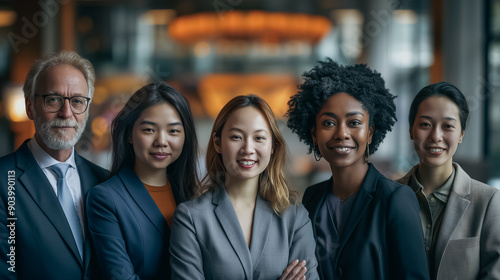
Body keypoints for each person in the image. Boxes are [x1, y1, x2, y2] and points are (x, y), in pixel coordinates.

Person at [286, 59, 429, 280]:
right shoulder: (312, 198)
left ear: (370, 132)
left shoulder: (396, 199)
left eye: (354, 123)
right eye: (328, 123)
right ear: (314, 134)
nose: (341, 133)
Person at [170, 95, 319, 280]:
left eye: (259, 138)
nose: (248, 148)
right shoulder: (191, 218)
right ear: (218, 143)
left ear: (273, 146)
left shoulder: (295, 217)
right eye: (236, 137)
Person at [0, 51, 109, 280]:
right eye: (54, 99)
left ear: (86, 110)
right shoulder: (3, 180)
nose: (66, 113)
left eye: (77, 101)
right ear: (30, 107)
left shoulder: (106, 181)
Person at [86, 82, 199, 280]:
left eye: (173, 131)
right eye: (149, 130)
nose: (162, 141)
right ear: (129, 134)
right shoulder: (105, 199)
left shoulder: (194, 195)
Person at [397, 82, 500, 279]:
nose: (436, 136)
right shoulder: (388, 196)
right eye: (425, 124)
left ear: (461, 134)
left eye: (448, 126)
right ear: (411, 130)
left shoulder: (489, 202)